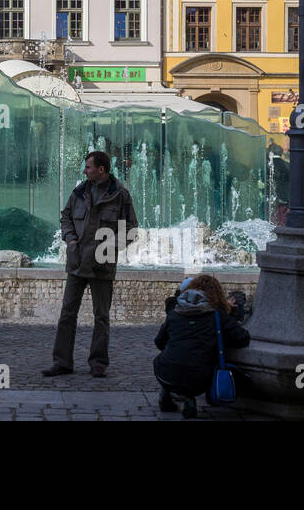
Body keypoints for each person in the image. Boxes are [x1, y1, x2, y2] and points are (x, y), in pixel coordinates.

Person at [42, 150, 138, 379]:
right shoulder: (79, 191)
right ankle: (62, 362)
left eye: (88, 167)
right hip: (77, 261)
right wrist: (71, 239)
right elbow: (66, 217)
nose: (85, 171)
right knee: (67, 313)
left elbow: (131, 230)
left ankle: (98, 364)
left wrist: (109, 248)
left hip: (102, 264)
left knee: (101, 316)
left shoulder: (120, 195)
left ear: (101, 169)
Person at [153, 273, 251, 418]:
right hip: (200, 378)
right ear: (216, 294)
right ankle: (189, 398)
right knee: (195, 367)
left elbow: (159, 342)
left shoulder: (175, 313)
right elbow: (242, 338)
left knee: (173, 360)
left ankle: (167, 393)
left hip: (164, 372)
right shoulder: (217, 315)